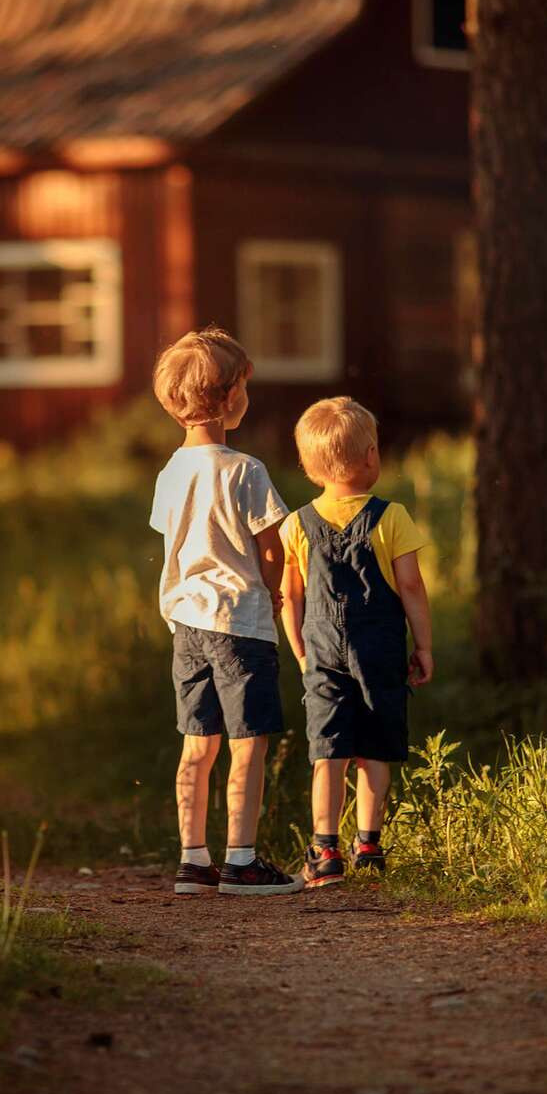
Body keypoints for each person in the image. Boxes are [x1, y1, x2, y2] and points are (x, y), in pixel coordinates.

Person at [149, 327, 304, 897]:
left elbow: (174, 539)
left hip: (186, 624)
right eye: (243, 387)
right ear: (231, 397)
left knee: (198, 743)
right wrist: (276, 592)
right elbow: (272, 546)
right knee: (248, 743)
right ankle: (242, 859)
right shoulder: (245, 471)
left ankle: (193, 859)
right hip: (240, 622)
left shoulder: (170, 473)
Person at [277, 397, 433, 887]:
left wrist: (301, 651)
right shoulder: (392, 517)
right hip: (380, 650)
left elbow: (290, 595)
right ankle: (369, 845)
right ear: (370, 456)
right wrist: (424, 645)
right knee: (375, 751)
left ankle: (326, 851)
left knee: (328, 752)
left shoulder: (296, 524)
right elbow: (410, 585)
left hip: (321, 651)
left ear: (308, 466)